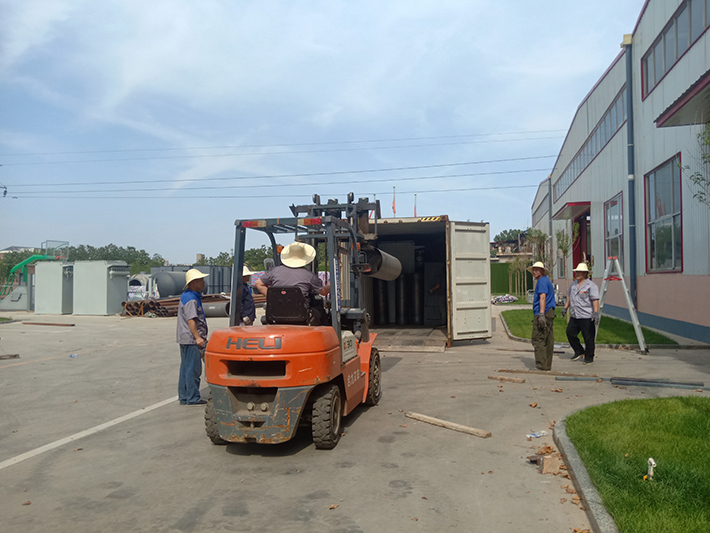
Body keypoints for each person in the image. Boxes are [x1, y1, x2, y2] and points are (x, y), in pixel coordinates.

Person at [176, 269, 209, 405]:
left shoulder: (188, 295)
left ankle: (184, 396)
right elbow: (191, 320)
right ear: (193, 283)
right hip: (191, 339)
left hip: (185, 338)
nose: (203, 282)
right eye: (201, 280)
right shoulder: (191, 299)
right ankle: (193, 397)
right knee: (193, 369)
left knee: (185, 368)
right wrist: (198, 337)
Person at [254, 242, 330, 299]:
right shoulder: (309, 275)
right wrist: (331, 284)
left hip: (276, 311)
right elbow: (323, 292)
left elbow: (258, 284)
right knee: (318, 309)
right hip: (300, 312)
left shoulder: (274, 271)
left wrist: (272, 297)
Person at [561, 263, 600, 365]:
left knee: (588, 337)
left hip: (587, 316)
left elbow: (595, 300)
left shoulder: (591, 286)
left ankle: (589, 357)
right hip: (575, 315)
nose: (577, 274)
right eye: (576, 272)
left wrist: (596, 313)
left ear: (585, 273)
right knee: (570, 333)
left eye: (579, 272)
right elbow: (570, 297)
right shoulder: (573, 285)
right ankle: (579, 351)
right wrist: (565, 308)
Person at [528, 261, 556, 371]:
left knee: (538, 339)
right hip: (549, 312)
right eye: (533, 270)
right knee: (548, 339)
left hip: (544, 312)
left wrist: (541, 314)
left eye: (537, 270)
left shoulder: (542, 282)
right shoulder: (545, 280)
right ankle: (547, 365)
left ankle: (541, 365)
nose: (534, 272)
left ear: (542, 271)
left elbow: (542, 297)